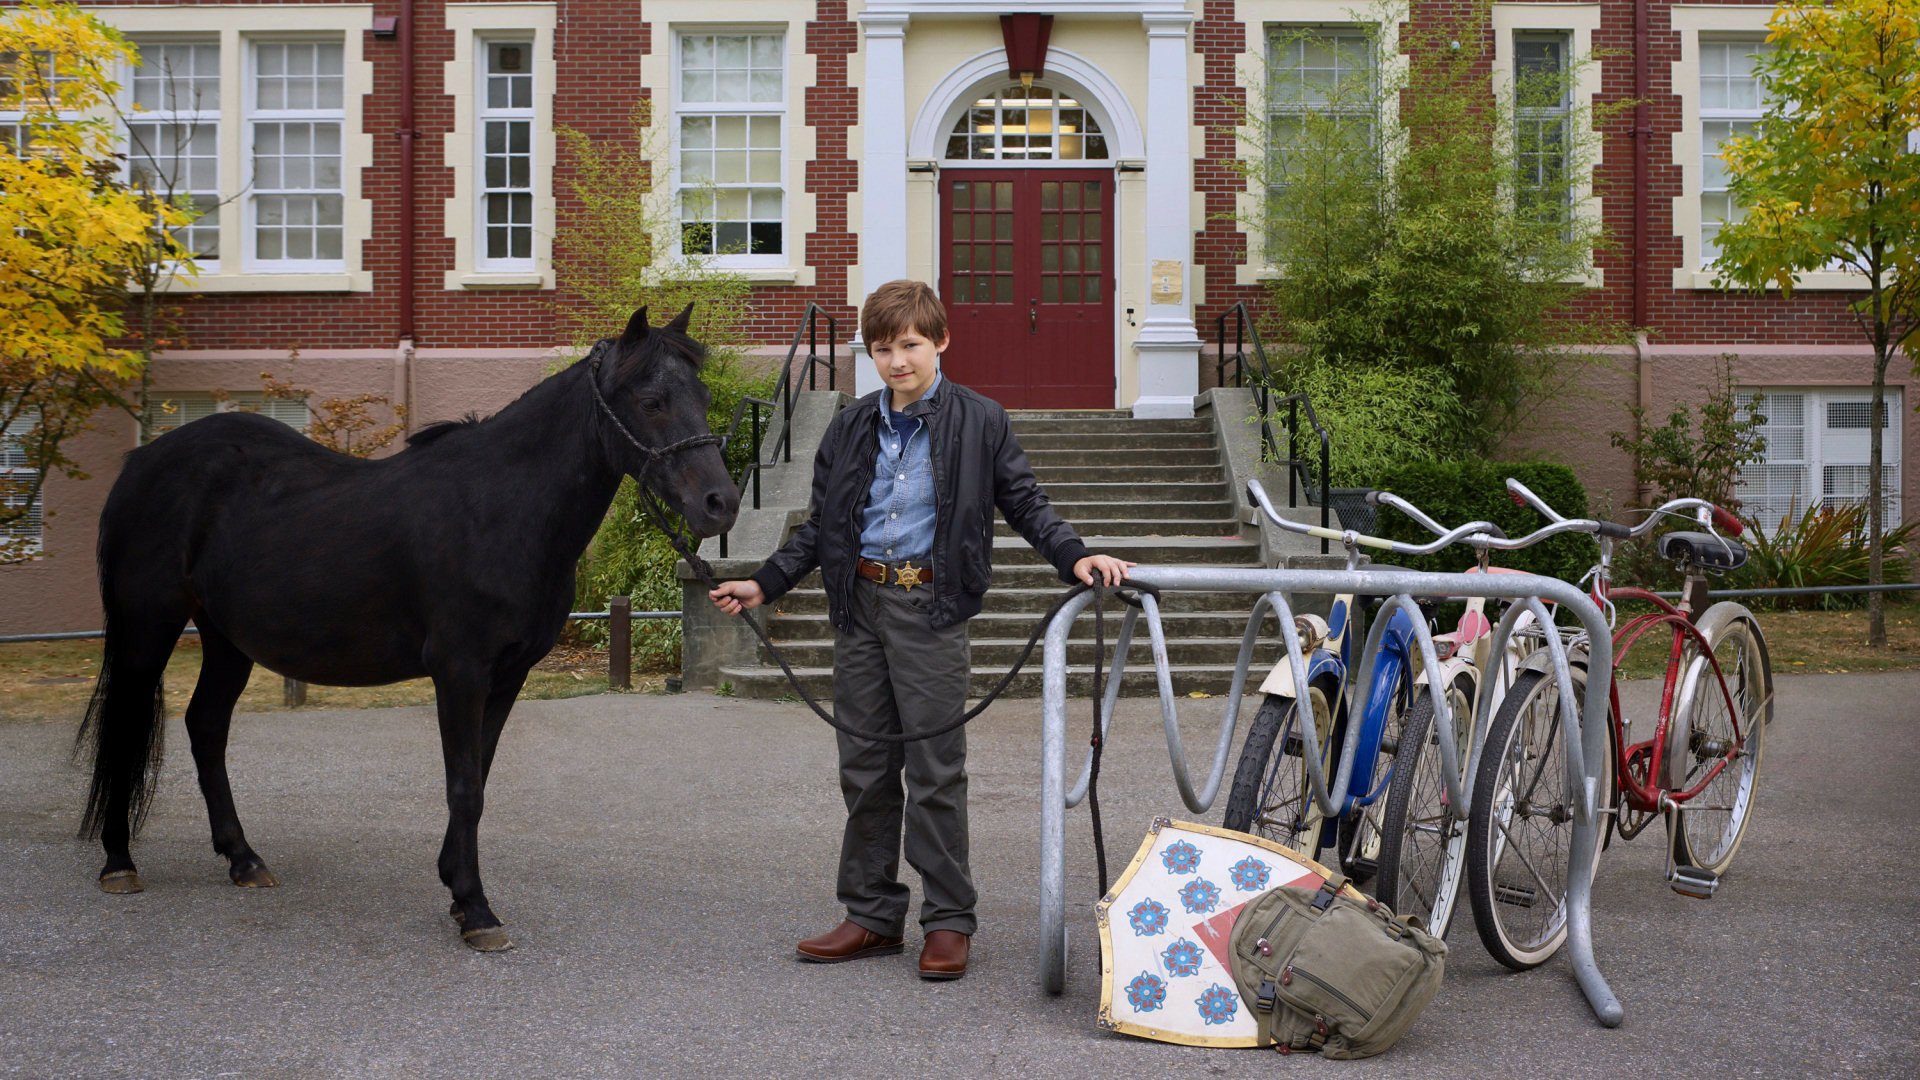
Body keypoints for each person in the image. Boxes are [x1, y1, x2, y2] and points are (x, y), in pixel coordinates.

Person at [709, 279, 1131, 980]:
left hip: (930, 612)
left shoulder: (981, 420)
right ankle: (872, 915)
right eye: (882, 349)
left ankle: (949, 920)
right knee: (865, 769)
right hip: (860, 609)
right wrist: (765, 582)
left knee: (934, 771)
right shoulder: (850, 425)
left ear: (940, 341)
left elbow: (1026, 502)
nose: (896, 361)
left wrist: (1075, 555)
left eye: (908, 345)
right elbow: (820, 526)